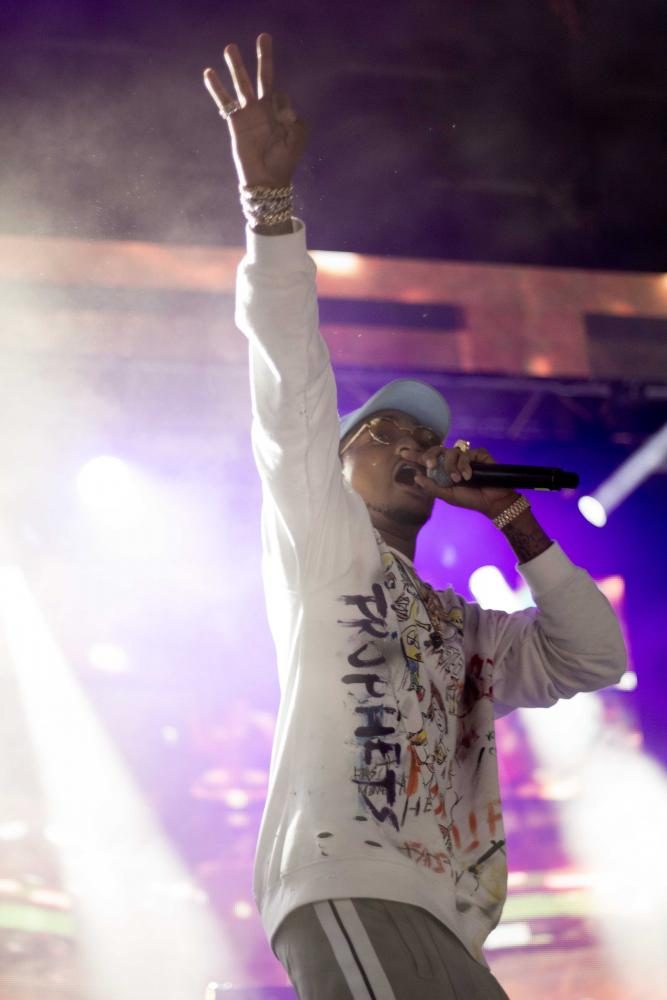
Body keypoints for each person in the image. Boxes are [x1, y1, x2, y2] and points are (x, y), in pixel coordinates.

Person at [203, 35, 626, 1000]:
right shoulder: (325, 546)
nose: (408, 446)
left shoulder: (463, 630)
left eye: (419, 436)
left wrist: (516, 522)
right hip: (347, 877)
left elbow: (592, 659)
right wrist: (270, 209)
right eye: (381, 432)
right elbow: (293, 389)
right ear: (339, 462)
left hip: (447, 909)